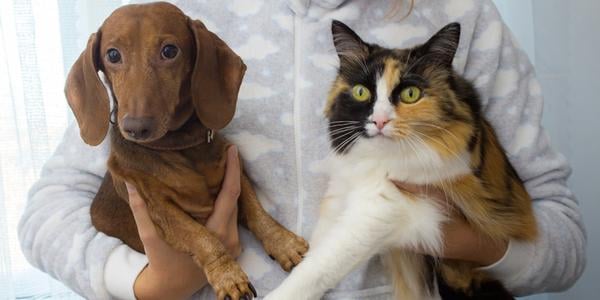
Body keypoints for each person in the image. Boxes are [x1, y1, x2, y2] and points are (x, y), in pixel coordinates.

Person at [18, 0, 586, 299]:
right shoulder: (170, 22)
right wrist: (148, 282)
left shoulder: (462, 16)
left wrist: (462, 240)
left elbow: (564, 241)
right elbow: (47, 216)